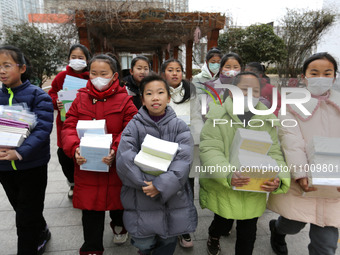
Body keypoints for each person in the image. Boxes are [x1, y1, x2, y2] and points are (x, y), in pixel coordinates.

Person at [199, 72, 290, 255]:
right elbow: (210, 150)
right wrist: (228, 173)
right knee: (222, 223)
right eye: (244, 90)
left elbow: (274, 153)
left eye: (255, 91)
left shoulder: (266, 120)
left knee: (248, 234)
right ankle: (214, 236)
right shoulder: (217, 117)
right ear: (232, 92)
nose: (250, 95)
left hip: (253, 189)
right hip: (226, 188)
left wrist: (277, 178)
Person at [61, 54, 138, 255]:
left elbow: (131, 129)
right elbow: (68, 126)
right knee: (90, 210)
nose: (98, 77)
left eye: (103, 73)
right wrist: (75, 148)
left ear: (114, 76)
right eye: (93, 73)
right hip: (87, 165)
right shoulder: (80, 97)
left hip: (114, 166)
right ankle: (92, 248)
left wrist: (116, 149)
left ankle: (119, 226)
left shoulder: (125, 99)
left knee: (117, 202)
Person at [267, 52, 340, 255]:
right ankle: (277, 229)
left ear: (334, 76)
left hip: (334, 185)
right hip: (303, 179)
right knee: (292, 224)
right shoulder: (291, 105)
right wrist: (300, 173)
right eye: (314, 73)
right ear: (304, 76)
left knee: (326, 244)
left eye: (327, 73)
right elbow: (291, 141)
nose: (321, 78)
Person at [116, 74, 198, 255]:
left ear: (169, 98)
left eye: (161, 92)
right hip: (141, 196)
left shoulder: (179, 126)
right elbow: (124, 159)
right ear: (142, 99)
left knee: (168, 240)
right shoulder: (133, 126)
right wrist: (148, 185)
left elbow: (184, 160)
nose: (155, 97)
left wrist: (160, 186)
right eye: (149, 93)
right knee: (143, 242)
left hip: (171, 198)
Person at [0, 45, 54, 254]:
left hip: (32, 166)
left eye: (7, 65)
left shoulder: (38, 96)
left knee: (26, 215)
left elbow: (42, 129)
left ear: (22, 68)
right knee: (21, 208)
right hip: (4, 167)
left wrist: (20, 152)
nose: (2, 71)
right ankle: (42, 230)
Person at [160, 59, 203, 248]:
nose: (175, 73)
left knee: (186, 190)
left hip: (186, 148)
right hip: (163, 148)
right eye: (170, 70)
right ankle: (165, 224)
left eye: (178, 70)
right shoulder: (157, 89)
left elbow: (197, 117)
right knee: (165, 188)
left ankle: (184, 229)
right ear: (163, 73)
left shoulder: (192, 91)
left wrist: (194, 138)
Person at [48, 44, 90, 198]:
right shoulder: (61, 77)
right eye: (74, 57)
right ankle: (72, 183)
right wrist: (56, 102)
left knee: (84, 152)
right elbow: (52, 94)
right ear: (68, 59)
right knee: (65, 154)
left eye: (81, 58)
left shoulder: (91, 76)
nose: (77, 60)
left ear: (87, 60)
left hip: (86, 122)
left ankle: (85, 184)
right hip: (65, 123)